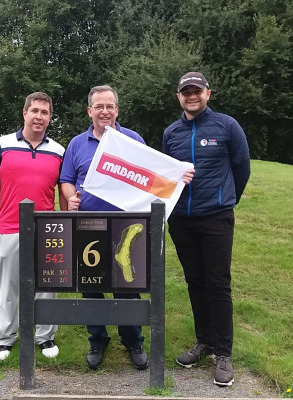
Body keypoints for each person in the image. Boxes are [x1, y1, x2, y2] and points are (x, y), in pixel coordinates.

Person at [163, 72, 251, 386]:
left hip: (215, 218)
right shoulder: (171, 133)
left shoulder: (227, 126)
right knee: (195, 281)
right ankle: (205, 342)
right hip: (181, 221)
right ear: (179, 97)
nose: (191, 96)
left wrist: (226, 200)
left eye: (196, 91)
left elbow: (242, 168)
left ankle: (223, 353)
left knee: (218, 283)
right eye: (186, 92)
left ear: (207, 94)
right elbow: (165, 177)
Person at [59, 85, 149, 371]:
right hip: (89, 225)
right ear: (90, 111)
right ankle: (97, 339)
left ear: (117, 110)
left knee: (127, 286)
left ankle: (133, 340)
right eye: (99, 106)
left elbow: (149, 177)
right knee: (91, 287)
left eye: (110, 106)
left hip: (126, 227)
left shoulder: (132, 140)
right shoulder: (76, 144)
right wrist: (71, 196)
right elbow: (66, 179)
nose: (105, 111)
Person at [0, 92, 66, 362]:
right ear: (24, 113)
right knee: (10, 286)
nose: (39, 116)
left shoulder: (59, 151)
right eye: (35, 111)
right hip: (9, 227)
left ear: (50, 118)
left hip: (48, 228)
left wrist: (66, 221)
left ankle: (45, 336)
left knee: (46, 285)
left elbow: (63, 190)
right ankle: (5, 338)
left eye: (45, 112)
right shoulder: (1, 145)